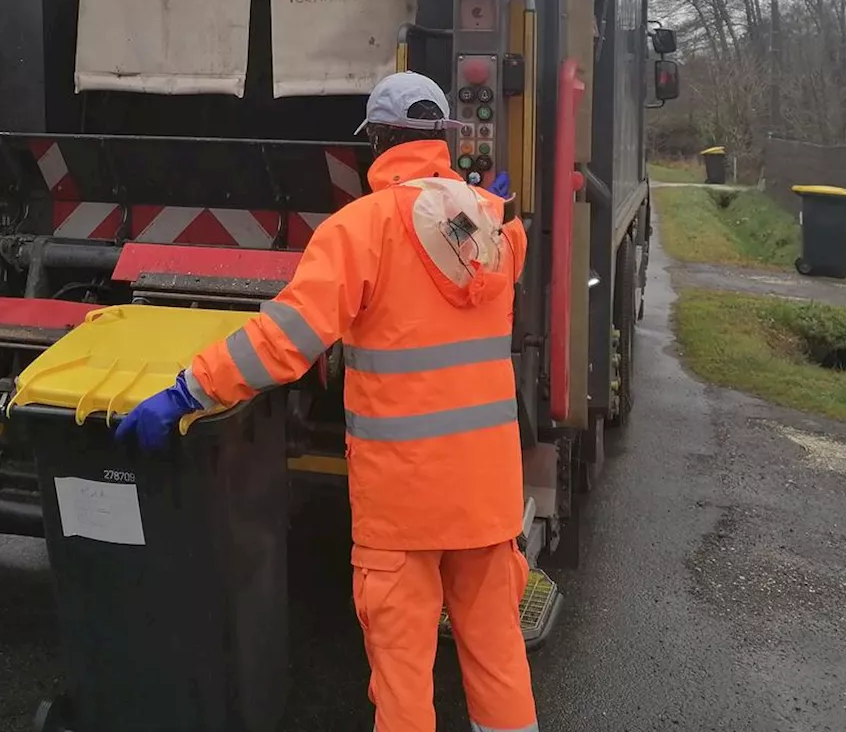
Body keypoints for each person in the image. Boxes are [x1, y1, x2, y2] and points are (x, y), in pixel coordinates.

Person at [115, 71, 537, 732]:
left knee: (403, 674)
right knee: (498, 657)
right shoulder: (490, 230)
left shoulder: (359, 230)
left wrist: (187, 391)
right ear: (444, 139)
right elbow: (509, 245)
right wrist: (500, 214)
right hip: (486, 497)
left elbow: (282, 343)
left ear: (376, 141)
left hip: (403, 505)